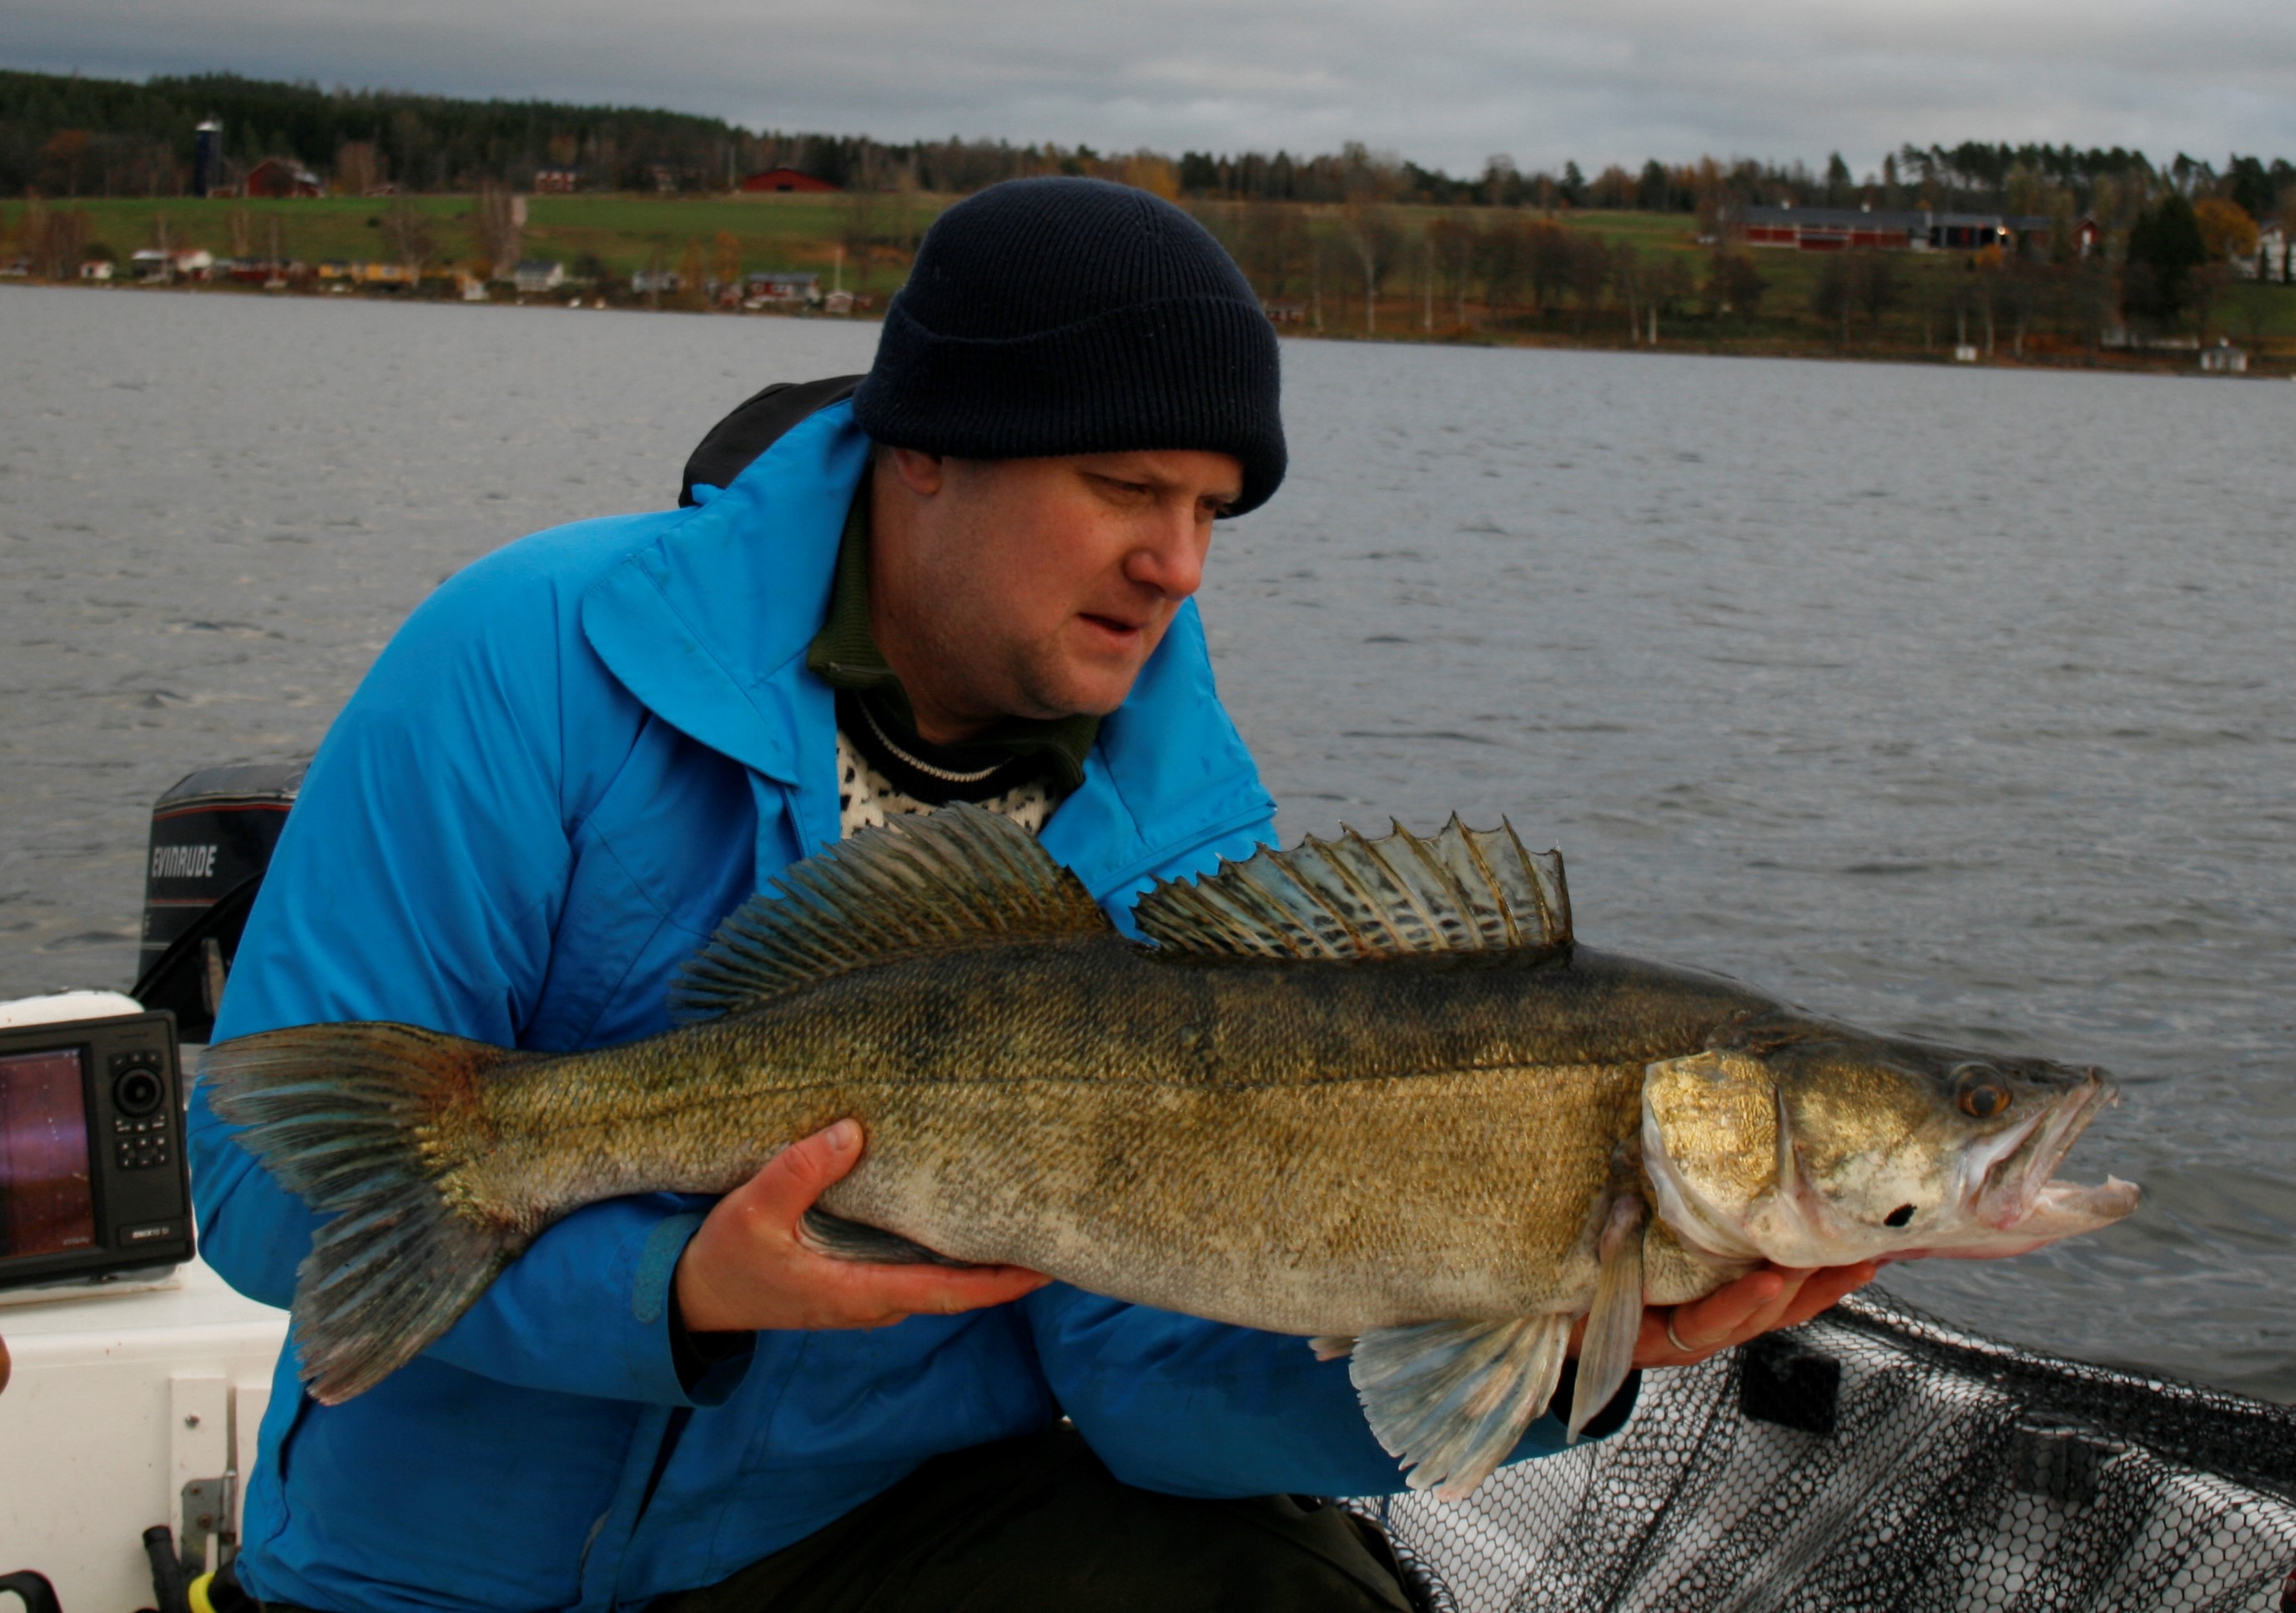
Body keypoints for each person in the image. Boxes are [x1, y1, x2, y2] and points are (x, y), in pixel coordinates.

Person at [190, 178, 1872, 1613]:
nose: (1177, 563)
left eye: (1209, 509)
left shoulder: (1179, 832)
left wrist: (1564, 1352)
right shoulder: (535, 656)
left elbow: (1136, 1378)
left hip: (854, 1536)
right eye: (1125, 488)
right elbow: (264, 1195)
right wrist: (684, 1285)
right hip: (427, 1574)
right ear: (929, 447)